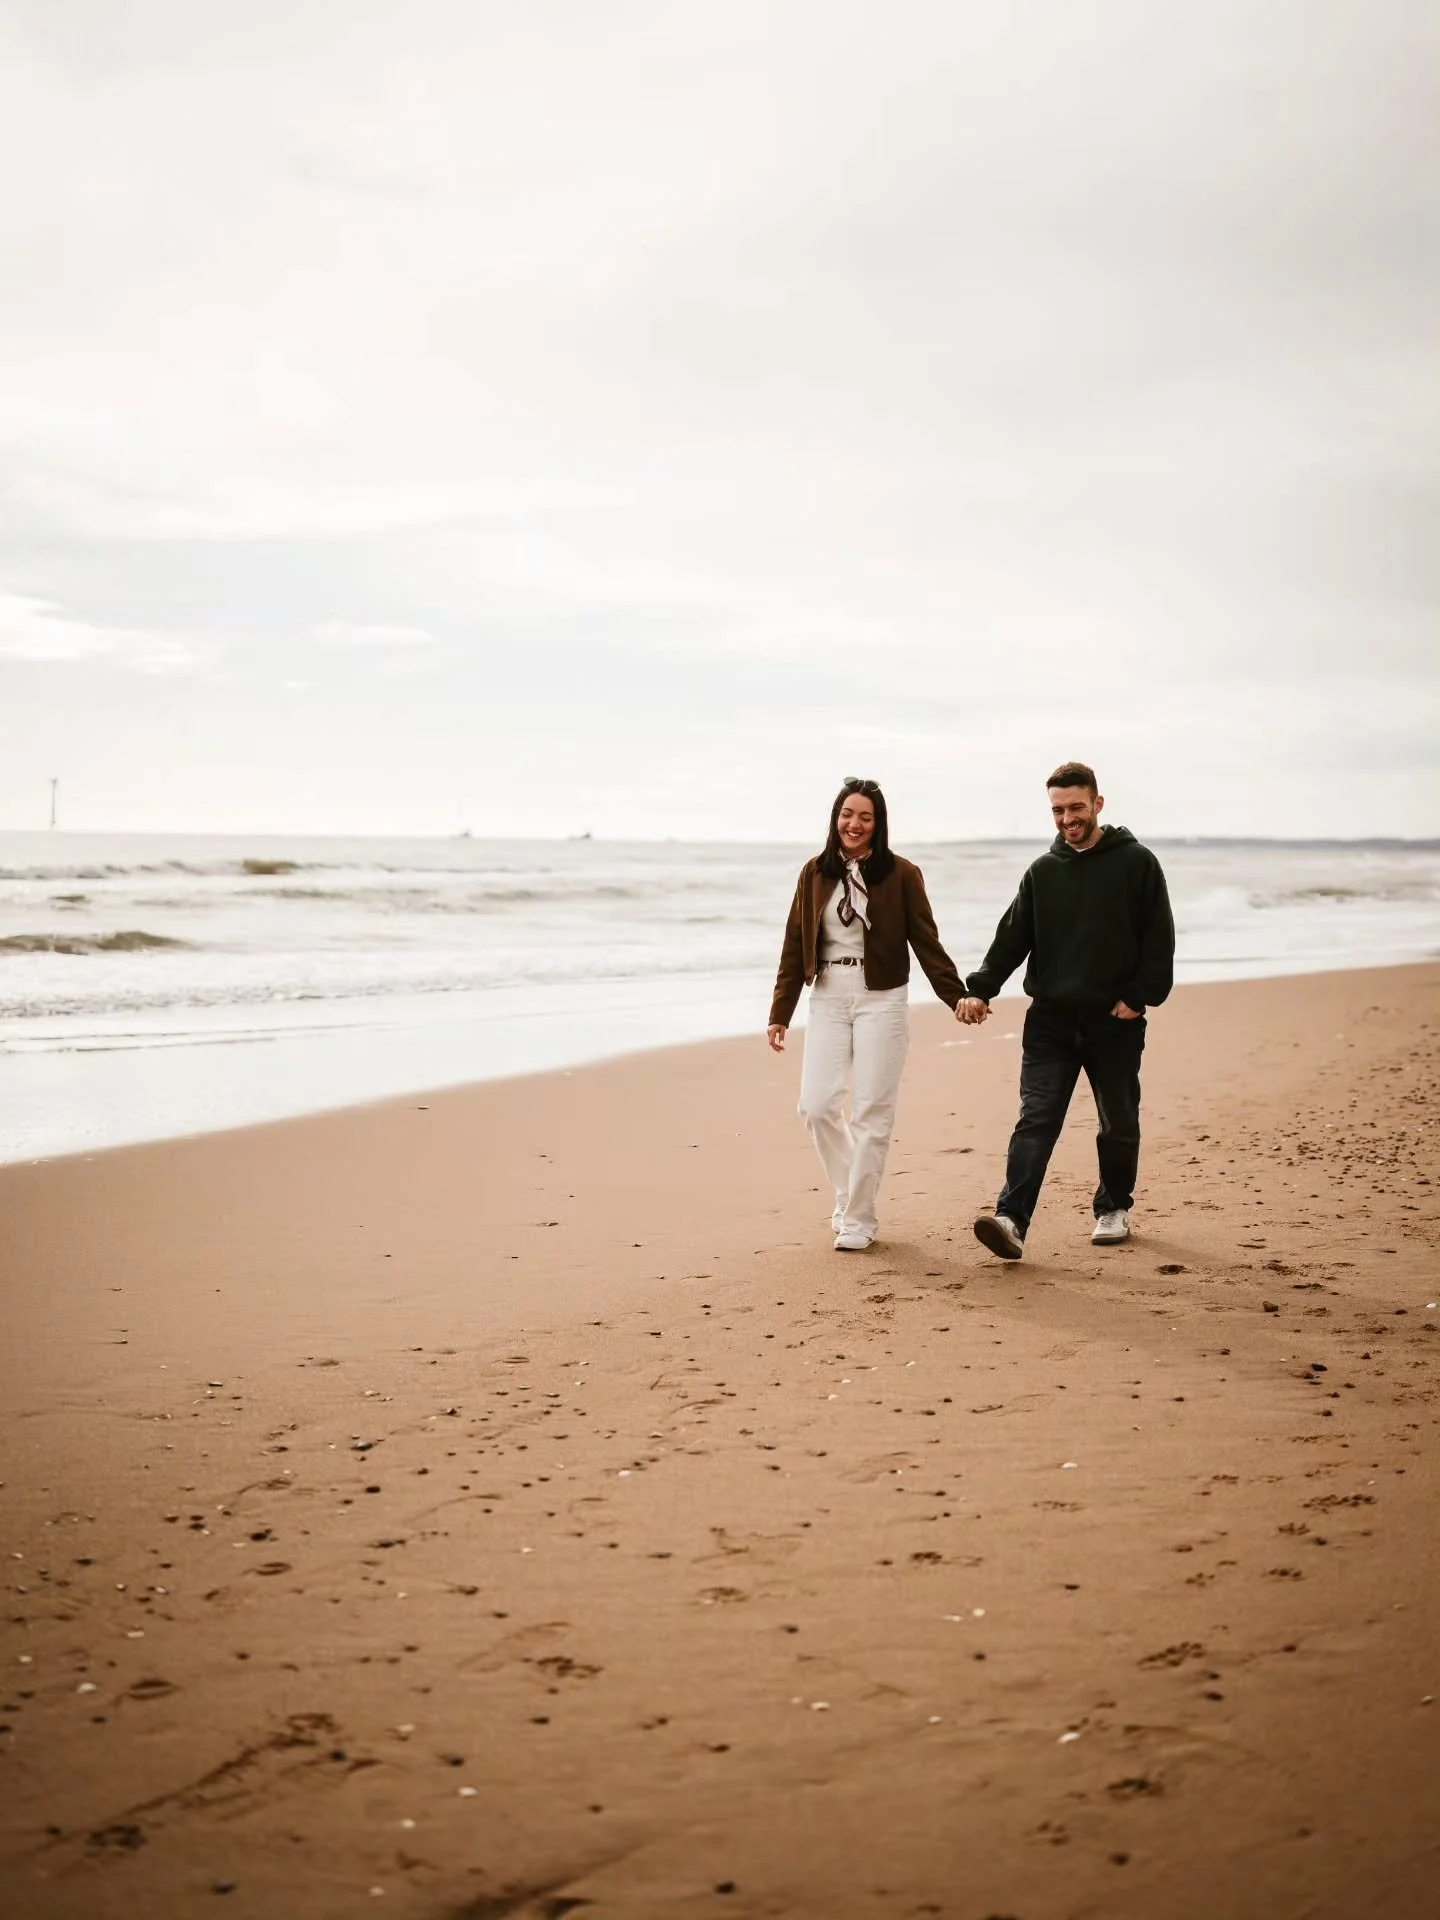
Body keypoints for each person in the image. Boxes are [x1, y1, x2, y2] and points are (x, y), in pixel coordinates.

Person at [958, 761, 1175, 1259]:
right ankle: (1011, 1219)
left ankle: (1114, 1206)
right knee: (1036, 1119)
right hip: (1051, 1020)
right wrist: (980, 990)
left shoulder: (1137, 863)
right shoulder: (1043, 872)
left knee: (1117, 1120)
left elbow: (1158, 938)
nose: (1067, 818)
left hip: (1114, 1020)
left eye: (1077, 807)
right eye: (1058, 810)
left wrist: (1139, 998)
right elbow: (1011, 938)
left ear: (1098, 804)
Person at [768, 776, 966, 1252]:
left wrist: (956, 995)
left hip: (883, 1000)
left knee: (872, 1114)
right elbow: (796, 944)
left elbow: (925, 940)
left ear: (878, 825)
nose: (853, 824)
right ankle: (847, 1191)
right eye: (846, 815)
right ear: (835, 819)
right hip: (829, 995)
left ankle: (858, 1217)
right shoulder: (813, 873)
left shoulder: (901, 874)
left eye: (865, 817)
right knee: (815, 1106)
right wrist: (781, 1011)